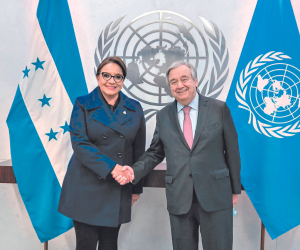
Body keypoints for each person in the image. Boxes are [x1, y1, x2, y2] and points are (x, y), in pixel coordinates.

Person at [115, 61, 241, 250]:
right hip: (180, 198)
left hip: (216, 195)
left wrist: (234, 189)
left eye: (184, 79)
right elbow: (155, 152)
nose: (179, 85)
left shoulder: (219, 109)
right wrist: (133, 171)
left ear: (195, 80)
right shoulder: (163, 115)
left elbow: (232, 150)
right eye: (173, 82)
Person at [58, 56, 145, 250]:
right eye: (106, 75)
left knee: (109, 244)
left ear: (123, 81)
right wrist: (112, 167)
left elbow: (138, 151)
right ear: (98, 78)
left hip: (118, 187)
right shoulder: (82, 103)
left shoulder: (135, 108)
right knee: (86, 245)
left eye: (118, 77)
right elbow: (80, 143)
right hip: (85, 186)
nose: (111, 81)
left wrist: (136, 188)